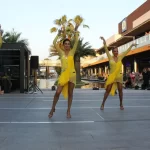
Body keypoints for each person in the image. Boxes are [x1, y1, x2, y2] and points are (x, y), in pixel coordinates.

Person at [48, 30, 79, 118]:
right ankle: (52, 108)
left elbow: (76, 41)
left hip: (72, 75)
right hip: (63, 75)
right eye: (65, 44)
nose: (67, 45)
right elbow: (54, 43)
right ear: (63, 45)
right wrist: (58, 35)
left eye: (68, 44)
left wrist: (75, 32)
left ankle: (68, 111)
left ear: (70, 45)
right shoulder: (61, 52)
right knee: (57, 92)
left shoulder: (72, 52)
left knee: (70, 93)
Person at [100, 36, 136, 110]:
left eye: (117, 51)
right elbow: (106, 49)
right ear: (112, 52)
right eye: (115, 51)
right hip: (112, 76)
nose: (116, 52)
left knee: (120, 91)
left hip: (119, 76)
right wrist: (104, 41)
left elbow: (126, 51)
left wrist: (131, 45)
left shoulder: (120, 57)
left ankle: (121, 104)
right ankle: (103, 104)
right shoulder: (110, 57)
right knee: (108, 90)